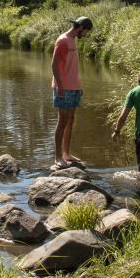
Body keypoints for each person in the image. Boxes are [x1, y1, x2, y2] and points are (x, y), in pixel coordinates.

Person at [50, 16, 93, 170]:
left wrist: (78, 85)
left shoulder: (73, 40)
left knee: (71, 120)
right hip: (63, 87)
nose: (86, 34)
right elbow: (54, 65)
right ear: (81, 28)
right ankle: (58, 157)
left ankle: (66, 153)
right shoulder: (62, 40)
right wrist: (60, 86)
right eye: (87, 31)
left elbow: (72, 66)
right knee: (62, 121)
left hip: (74, 87)